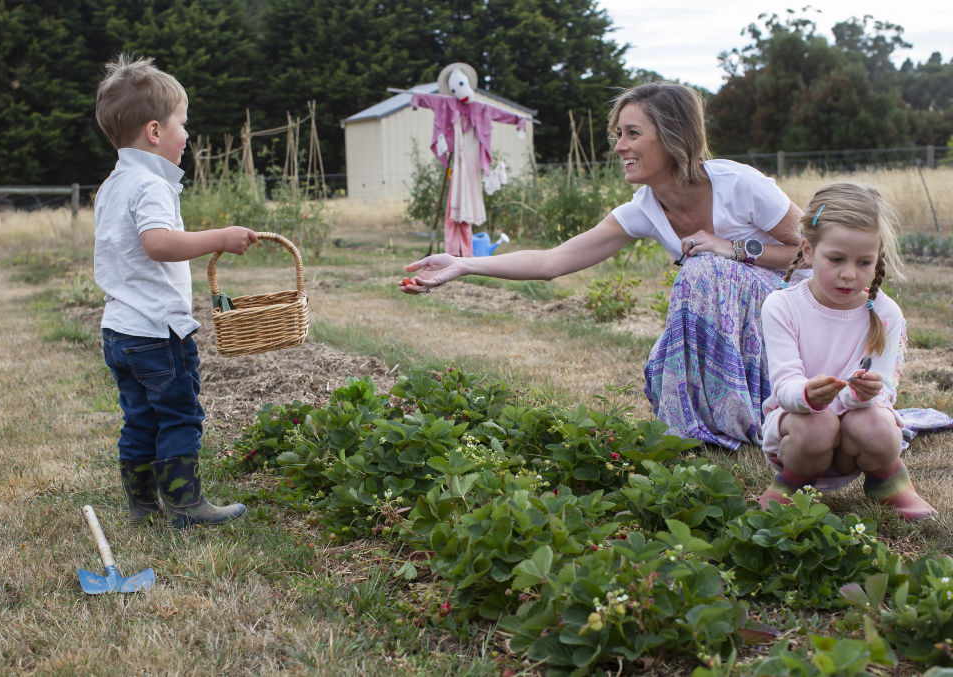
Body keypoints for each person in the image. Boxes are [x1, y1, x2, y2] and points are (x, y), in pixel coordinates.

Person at [402, 81, 803, 448]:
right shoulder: (644, 209)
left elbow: (817, 252)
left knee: (701, 270)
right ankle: (701, 428)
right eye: (618, 135)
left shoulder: (739, 184)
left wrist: (729, 249)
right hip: (740, 322)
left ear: (673, 135)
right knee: (671, 339)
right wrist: (461, 263)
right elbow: (551, 261)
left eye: (633, 133)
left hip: (792, 319)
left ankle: (745, 413)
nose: (619, 147)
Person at [93, 54, 258, 527]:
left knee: (140, 419)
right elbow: (158, 243)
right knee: (181, 415)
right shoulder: (150, 185)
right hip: (156, 332)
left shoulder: (113, 184)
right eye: (181, 123)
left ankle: (142, 506)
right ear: (154, 132)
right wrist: (220, 238)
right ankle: (186, 505)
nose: (186, 134)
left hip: (119, 331)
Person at [757, 183, 937, 520]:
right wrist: (809, 395)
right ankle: (790, 486)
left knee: (882, 428)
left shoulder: (885, 314)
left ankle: (889, 481)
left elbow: (883, 393)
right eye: (836, 259)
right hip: (802, 435)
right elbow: (784, 385)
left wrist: (866, 393)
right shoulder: (782, 306)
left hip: (858, 432)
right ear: (808, 251)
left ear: (877, 258)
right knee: (820, 425)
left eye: (864, 261)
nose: (850, 274)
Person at [410, 62, 529, 256]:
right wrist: (418, 98)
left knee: (468, 198)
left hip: (472, 161)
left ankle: (465, 249)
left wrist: (518, 119)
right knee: (455, 200)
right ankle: (455, 248)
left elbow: (501, 114)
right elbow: (429, 100)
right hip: (458, 157)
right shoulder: (447, 104)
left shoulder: (480, 109)